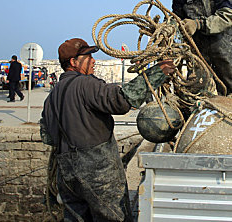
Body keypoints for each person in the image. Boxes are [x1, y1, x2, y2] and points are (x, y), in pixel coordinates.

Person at [40, 38, 176, 221]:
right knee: (114, 217)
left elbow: (47, 137)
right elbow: (121, 101)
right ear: (73, 62)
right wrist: (156, 74)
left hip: (66, 176)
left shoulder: (51, 97)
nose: (93, 61)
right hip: (97, 173)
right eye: (88, 56)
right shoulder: (86, 84)